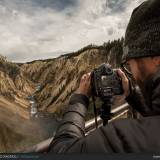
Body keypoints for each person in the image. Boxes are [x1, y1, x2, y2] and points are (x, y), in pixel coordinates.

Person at [49, 0, 160, 153]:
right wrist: (132, 93)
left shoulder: (124, 140)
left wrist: (80, 99)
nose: (131, 73)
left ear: (156, 58)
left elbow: (61, 151)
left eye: (130, 64)